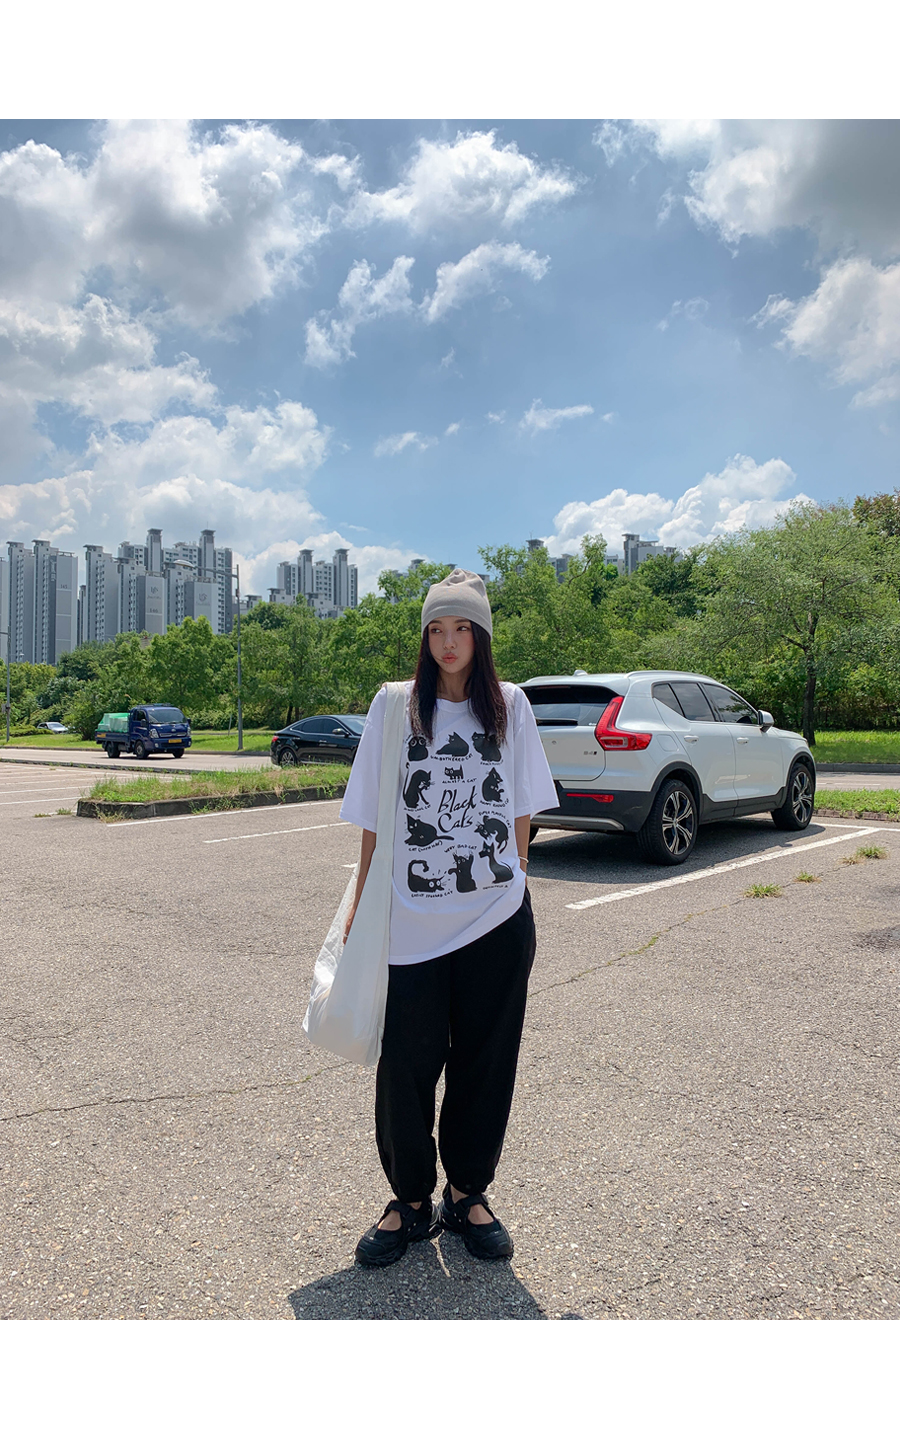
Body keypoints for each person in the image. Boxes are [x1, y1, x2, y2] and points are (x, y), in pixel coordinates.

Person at [338, 568, 558, 1267]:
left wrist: (517, 879)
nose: (449, 642)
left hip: (494, 917)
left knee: (485, 1062)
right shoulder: (393, 706)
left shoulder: (510, 705)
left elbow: (521, 804)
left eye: (462, 628)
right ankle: (409, 1200)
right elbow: (374, 817)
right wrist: (360, 904)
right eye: (437, 629)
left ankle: (468, 1193)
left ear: (481, 636)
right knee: (404, 1064)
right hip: (410, 920)